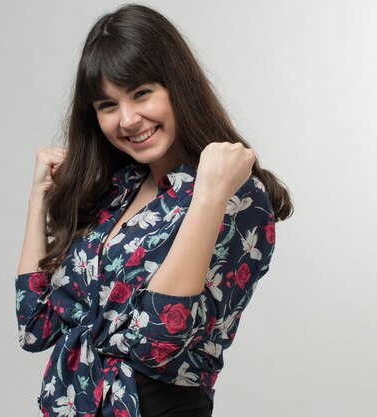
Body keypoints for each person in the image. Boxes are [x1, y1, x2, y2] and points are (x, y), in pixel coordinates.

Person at [15, 4, 293, 417]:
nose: (128, 119)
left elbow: (156, 344)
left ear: (176, 86)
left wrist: (209, 196)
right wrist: (40, 195)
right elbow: (34, 324)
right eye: (107, 105)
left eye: (142, 93)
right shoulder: (118, 189)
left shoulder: (236, 197)